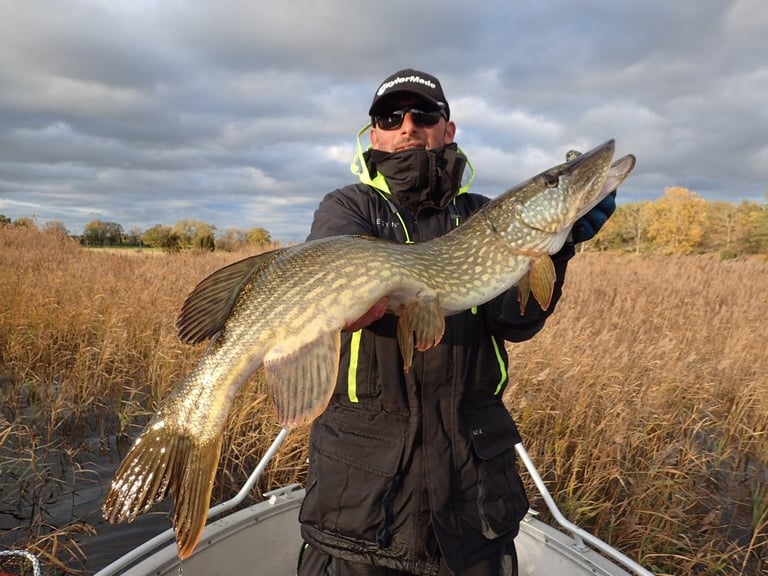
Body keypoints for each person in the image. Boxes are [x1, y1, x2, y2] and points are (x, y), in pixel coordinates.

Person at [297, 69, 615, 576]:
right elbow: (332, 282)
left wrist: (561, 248)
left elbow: (516, 322)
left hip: (472, 502)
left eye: (424, 114)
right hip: (360, 507)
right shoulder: (349, 208)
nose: (407, 125)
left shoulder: (481, 216)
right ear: (374, 133)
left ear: (448, 129)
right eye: (390, 116)